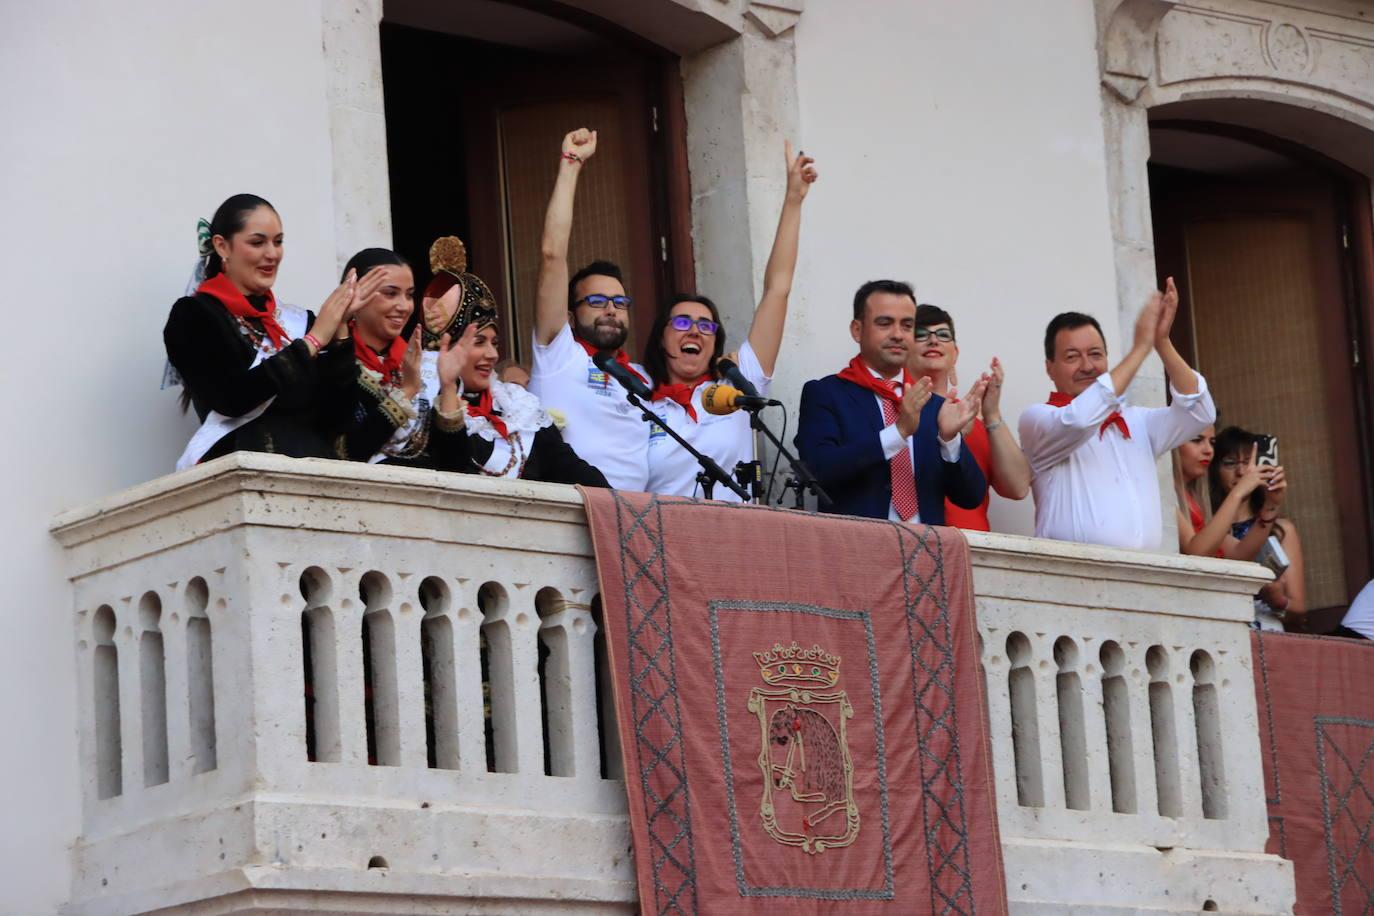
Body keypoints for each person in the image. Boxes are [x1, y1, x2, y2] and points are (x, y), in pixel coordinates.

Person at [643, 142, 816, 500]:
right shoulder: (640, 397)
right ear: (661, 338)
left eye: (706, 326)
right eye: (682, 323)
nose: (695, 330)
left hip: (735, 543)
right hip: (663, 543)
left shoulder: (738, 387)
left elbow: (777, 289)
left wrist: (794, 200)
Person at [164, 194, 382, 469]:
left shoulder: (300, 321)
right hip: (243, 466)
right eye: (257, 242)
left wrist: (340, 333)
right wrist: (313, 342)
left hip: (315, 467)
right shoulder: (194, 315)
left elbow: (338, 419)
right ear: (222, 246)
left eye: (278, 242)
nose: (272, 254)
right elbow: (231, 399)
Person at [1019, 279, 1216, 550]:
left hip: (1140, 577)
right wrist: (1139, 350)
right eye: (1072, 357)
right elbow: (1079, 420)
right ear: (1049, 368)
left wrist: (1162, 343)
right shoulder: (1038, 418)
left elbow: (1200, 413)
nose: (1087, 366)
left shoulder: (1137, 420)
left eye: (1096, 354)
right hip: (1071, 578)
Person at [419, 237, 608, 487]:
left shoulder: (519, 408)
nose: (492, 354)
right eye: (479, 342)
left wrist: (623, 506)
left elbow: (569, 467)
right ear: (445, 349)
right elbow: (450, 467)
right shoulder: (419, 406)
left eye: (494, 343)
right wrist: (449, 389)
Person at [795, 280, 988, 522]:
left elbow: (970, 497)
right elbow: (817, 470)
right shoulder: (827, 394)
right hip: (857, 550)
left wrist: (950, 441)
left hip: (925, 551)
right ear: (857, 330)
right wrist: (898, 433)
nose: (897, 334)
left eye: (907, 325)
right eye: (884, 323)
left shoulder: (932, 404)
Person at [528, 127, 650, 491]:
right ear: (568, 316)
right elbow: (553, 255)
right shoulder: (558, 354)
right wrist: (571, 165)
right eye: (596, 301)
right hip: (570, 515)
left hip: (638, 522)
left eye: (619, 302)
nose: (610, 309)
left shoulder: (645, 378)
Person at [908, 303, 1030, 530]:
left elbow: (1018, 487)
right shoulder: (892, 414)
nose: (933, 341)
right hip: (915, 544)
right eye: (920, 334)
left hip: (972, 552)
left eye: (943, 335)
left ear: (955, 354)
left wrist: (992, 414)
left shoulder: (969, 416)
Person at [1209, 426, 1304, 628]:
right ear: (1214, 470)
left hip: (1270, 634)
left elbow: (1298, 608)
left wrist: (1279, 600)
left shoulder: (1281, 529)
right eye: (1229, 463)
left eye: (1248, 463)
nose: (1241, 472)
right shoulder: (1208, 529)